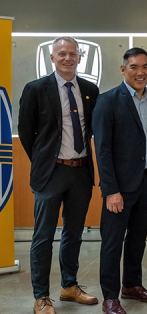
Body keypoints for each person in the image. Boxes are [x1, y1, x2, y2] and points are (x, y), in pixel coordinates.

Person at [18, 37, 99, 314]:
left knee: (74, 234)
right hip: (50, 174)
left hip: (80, 173)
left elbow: (90, 130)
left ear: (79, 57)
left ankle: (69, 286)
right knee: (43, 237)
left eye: (73, 54)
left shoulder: (90, 89)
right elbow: (28, 134)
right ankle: (41, 296)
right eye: (61, 54)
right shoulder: (36, 89)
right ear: (52, 58)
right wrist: (45, 161)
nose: (68, 58)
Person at [93, 47, 147, 314]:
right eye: (134, 67)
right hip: (119, 188)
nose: (141, 72)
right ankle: (110, 296)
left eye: (145, 66)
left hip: (146, 181)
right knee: (112, 241)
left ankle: (132, 285)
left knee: (138, 238)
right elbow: (102, 149)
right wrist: (111, 190)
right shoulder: (108, 101)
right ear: (123, 70)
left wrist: (143, 167)